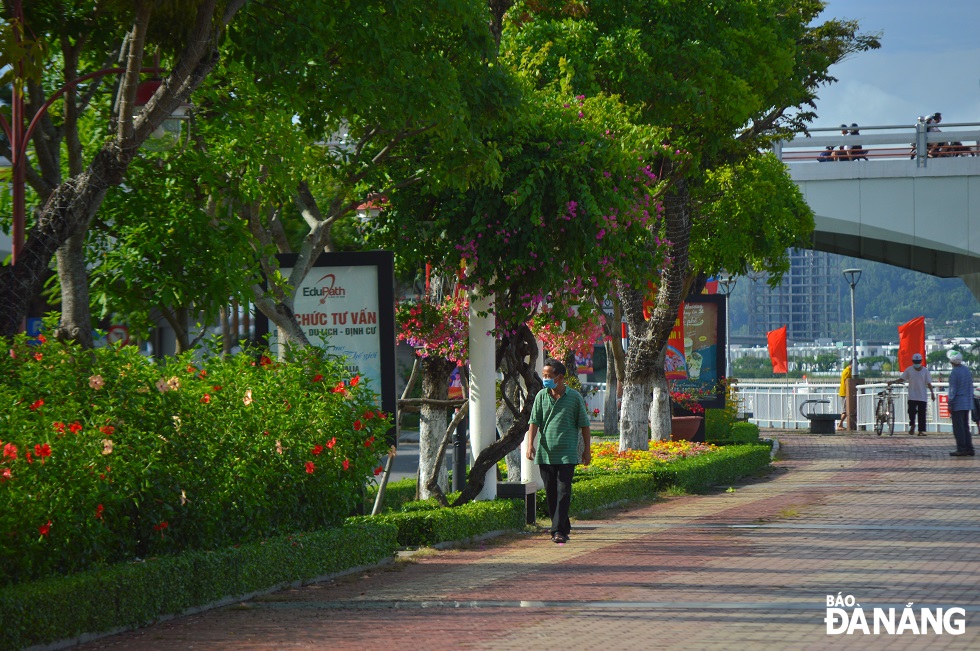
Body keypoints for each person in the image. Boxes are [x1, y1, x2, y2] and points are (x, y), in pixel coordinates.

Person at [526, 358, 592, 544]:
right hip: (546, 454)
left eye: (548, 376)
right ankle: (563, 526)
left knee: (564, 491)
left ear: (560, 377)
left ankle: (557, 531)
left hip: (567, 454)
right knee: (551, 493)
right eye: (544, 375)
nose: (545, 379)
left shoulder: (574, 398)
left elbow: (584, 425)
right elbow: (534, 422)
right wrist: (530, 444)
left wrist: (587, 450)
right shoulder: (541, 396)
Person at [888, 353, 935, 436]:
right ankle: (912, 425)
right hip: (912, 395)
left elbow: (929, 383)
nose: (917, 363)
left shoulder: (925, 371)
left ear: (920, 361)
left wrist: (932, 393)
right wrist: (893, 382)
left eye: (918, 361)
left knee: (922, 414)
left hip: (922, 396)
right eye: (915, 361)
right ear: (913, 361)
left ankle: (921, 431)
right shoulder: (909, 370)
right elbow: (902, 379)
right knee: (911, 412)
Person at [945, 350, 975, 457]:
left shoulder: (954, 373)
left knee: (958, 428)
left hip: (958, 403)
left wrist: (949, 403)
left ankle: (961, 449)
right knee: (965, 426)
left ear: (951, 362)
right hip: (967, 403)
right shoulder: (966, 370)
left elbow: (952, 390)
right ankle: (969, 448)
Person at [838, 362, 852, 430]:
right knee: (845, 410)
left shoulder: (846, 370)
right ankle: (839, 425)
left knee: (845, 410)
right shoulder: (847, 371)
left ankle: (840, 425)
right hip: (844, 393)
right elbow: (847, 381)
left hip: (844, 392)